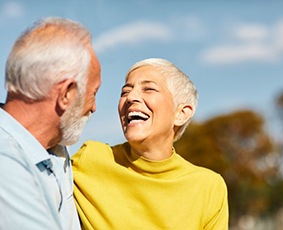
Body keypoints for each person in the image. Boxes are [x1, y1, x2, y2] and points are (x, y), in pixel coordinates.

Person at [72, 58, 228, 229]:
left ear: (181, 113)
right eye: (125, 92)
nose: (131, 97)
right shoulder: (90, 158)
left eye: (149, 89)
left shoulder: (209, 187)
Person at [0, 17, 101, 230]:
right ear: (66, 94)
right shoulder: (5, 161)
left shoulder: (54, 149)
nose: (94, 108)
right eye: (93, 94)